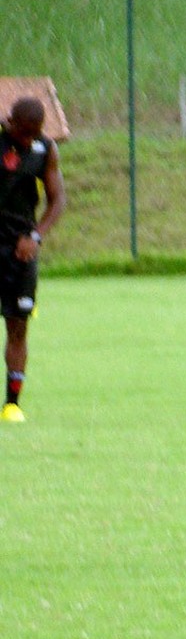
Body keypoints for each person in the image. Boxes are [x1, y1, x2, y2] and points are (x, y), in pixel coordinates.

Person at [0, 97, 65, 424]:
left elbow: (57, 200)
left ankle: (12, 404)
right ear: (10, 122)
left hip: (20, 250)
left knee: (18, 327)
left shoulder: (45, 150)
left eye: (34, 134)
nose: (28, 140)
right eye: (23, 133)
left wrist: (35, 236)